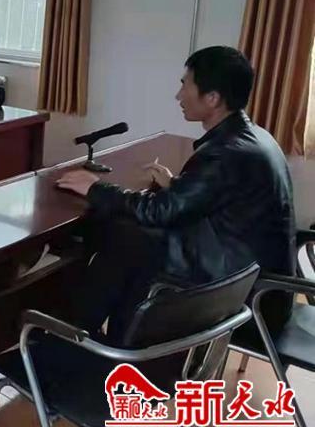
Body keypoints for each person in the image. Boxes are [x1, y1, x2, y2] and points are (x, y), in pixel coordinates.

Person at [56, 46, 296, 343]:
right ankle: (98, 335)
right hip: (260, 286)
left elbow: (158, 211)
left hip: (243, 297)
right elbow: (223, 200)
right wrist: (177, 186)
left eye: (185, 85)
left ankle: (78, 333)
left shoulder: (224, 153)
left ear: (212, 98)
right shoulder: (254, 137)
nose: (178, 96)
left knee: (128, 237)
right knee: (133, 241)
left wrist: (94, 187)